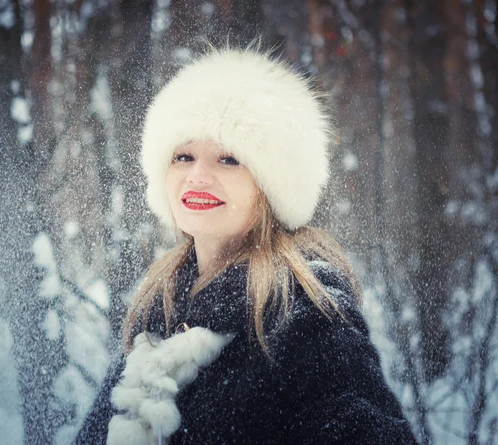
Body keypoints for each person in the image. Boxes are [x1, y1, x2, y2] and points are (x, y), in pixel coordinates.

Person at [75, 47, 418, 445]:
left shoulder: (306, 318)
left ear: (271, 187)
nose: (197, 177)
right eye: (183, 156)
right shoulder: (160, 309)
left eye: (229, 159)